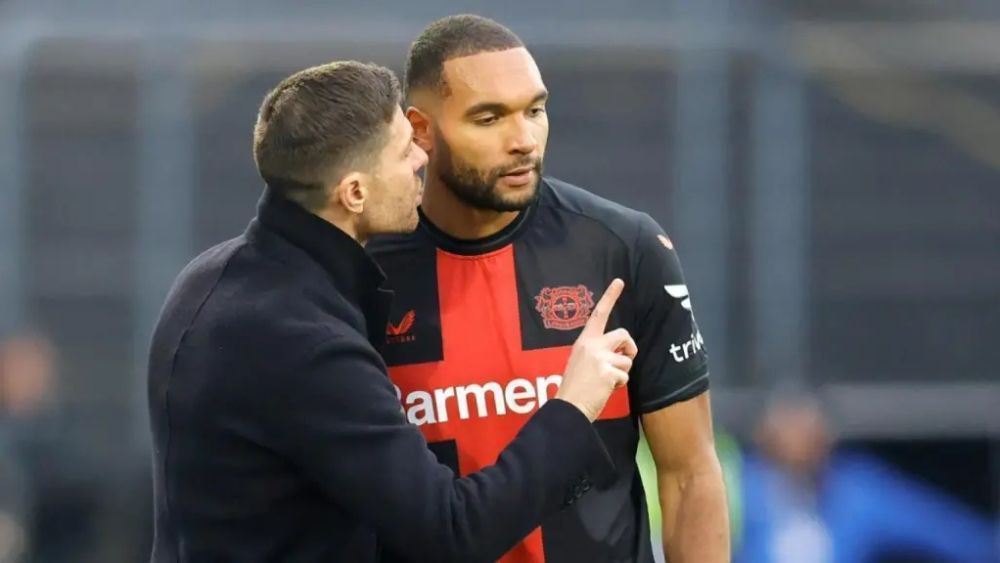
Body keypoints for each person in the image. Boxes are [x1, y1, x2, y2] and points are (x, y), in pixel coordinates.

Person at [146, 60, 641, 563]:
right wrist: (573, 406)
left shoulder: (206, 279)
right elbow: (453, 531)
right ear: (354, 192)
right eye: (405, 151)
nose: (423, 159)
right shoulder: (305, 343)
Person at [368, 14, 729, 563]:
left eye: (534, 111)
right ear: (420, 129)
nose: (523, 140)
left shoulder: (625, 248)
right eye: (488, 118)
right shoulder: (362, 271)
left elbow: (690, 475)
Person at [734, 392, 998, 563]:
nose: (800, 442)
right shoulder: (736, 488)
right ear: (762, 436)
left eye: (811, 431)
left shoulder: (858, 491)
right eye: (787, 429)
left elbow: (954, 535)